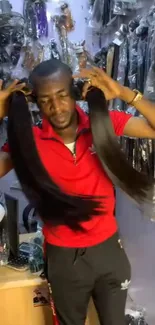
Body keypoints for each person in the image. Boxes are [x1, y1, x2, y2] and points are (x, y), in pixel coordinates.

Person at [1, 62, 155, 325]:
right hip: (64, 259)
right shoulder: (27, 141)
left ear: (74, 93)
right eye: (46, 100)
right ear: (36, 102)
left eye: (62, 95)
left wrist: (125, 93)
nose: (57, 108)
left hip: (109, 252)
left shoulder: (103, 124)